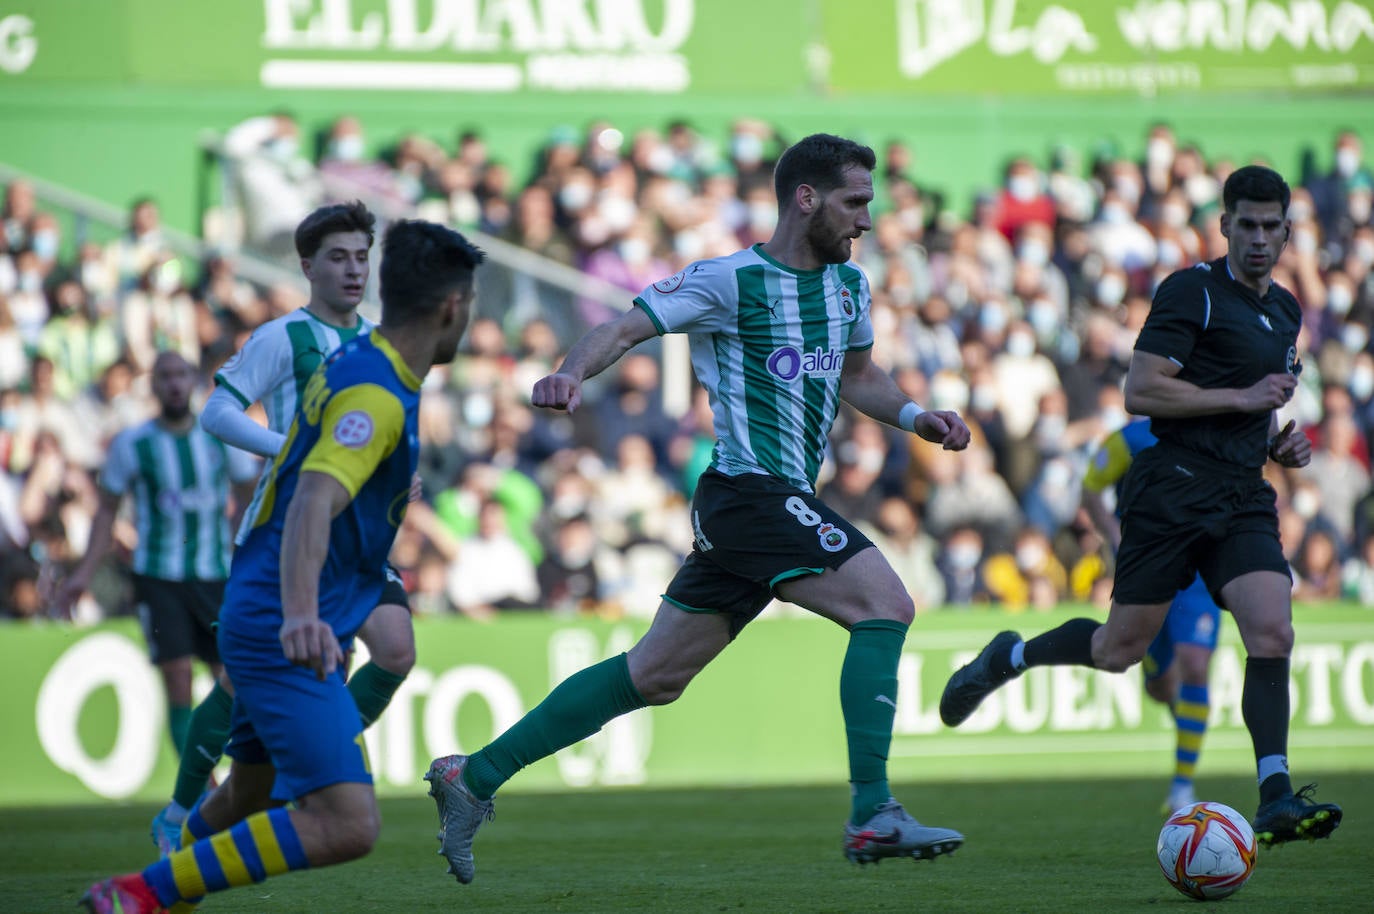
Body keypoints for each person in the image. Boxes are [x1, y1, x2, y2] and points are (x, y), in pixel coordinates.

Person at [423, 133, 972, 886]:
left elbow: (859, 375)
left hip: (779, 502)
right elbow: (623, 326)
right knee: (885, 604)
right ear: (805, 199)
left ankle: (474, 777)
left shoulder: (849, 289)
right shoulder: (728, 281)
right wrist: (569, 371)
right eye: (854, 202)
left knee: (655, 675)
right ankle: (872, 812)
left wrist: (916, 416)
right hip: (748, 492)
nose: (866, 220)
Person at [78, 219, 484, 914]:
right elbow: (312, 500)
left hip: (298, 596)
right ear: (452, 307)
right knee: (349, 824)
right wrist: (300, 612)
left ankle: (158, 887)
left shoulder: (360, 362)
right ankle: (139, 894)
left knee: (247, 793)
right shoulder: (374, 391)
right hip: (286, 612)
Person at [940, 165, 1344, 848]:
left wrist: (1280, 442)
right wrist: (1244, 402)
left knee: (1272, 631)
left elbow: (1255, 402)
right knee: (1117, 648)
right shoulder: (1192, 292)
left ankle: (1274, 794)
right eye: (1244, 224)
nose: (1257, 238)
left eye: (1270, 227)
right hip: (1173, 487)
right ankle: (1009, 657)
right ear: (1224, 225)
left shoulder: (1285, 310)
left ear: (1286, 232)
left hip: (1243, 493)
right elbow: (1143, 391)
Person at [146, 201, 419, 854]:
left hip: (356, 538)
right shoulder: (281, 337)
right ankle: (181, 811)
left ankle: (313, 765)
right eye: (338, 257)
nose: (353, 270)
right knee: (241, 691)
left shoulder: (381, 340)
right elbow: (217, 411)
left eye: (361, 257)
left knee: (397, 649)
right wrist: (286, 448)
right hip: (285, 529)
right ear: (307, 266)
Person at [52, 351, 260, 758]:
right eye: (165, 376)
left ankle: (229, 783)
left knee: (229, 683)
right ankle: (203, 790)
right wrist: (83, 573)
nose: (174, 384)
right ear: (154, 386)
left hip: (215, 576)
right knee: (178, 679)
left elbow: (250, 497)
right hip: (157, 577)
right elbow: (106, 512)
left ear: (194, 382)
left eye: (181, 375)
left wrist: (246, 556)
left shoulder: (221, 438)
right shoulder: (133, 444)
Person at [1081, 417, 1222, 814]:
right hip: (1146, 568)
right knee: (1160, 686)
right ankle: (1186, 723)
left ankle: (1182, 785)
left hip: (1197, 571)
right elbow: (1091, 488)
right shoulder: (1130, 438)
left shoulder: (1211, 430)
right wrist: (1114, 534)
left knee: (1195, 664)